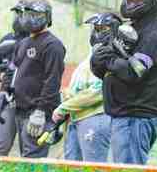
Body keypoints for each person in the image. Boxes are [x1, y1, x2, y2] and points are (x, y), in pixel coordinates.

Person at [90, 0, 157, 165]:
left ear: (151, 1)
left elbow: (133, 72)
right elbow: (108, 72)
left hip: (136, 117)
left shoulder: (153, 35)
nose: (129, 3)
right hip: (122, 115)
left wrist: (109, 59)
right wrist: (98, 60)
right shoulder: (128, 30)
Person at [52, 13, 121, 163]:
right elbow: (79, 87)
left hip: (95, 118)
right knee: (71, 170)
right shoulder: (92, 55)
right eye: (95, 28)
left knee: (93, 169)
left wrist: (64, 107)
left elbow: (97, 92)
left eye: (102, 29)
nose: (97, 33)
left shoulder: (113, 56)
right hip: (76, 118)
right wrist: (67, 97)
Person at [2, 0, 66, 158]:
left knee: (33, 160)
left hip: (37, 113)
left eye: (37, 15)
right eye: (29, 14)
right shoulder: (23, 43)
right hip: (20, 111)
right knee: (26, 159)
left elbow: (52, 81)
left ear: (47, 18)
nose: (32, 18)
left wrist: (41, 111)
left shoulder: (53, 45)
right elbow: (12, 70)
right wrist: (3, 91)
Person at [0, 0, 30, 156]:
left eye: (22, 14)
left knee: (27, 150)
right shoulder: (7, 39)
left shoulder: (36, 42)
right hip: (7, 99)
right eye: (17, 14)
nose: (18, 18)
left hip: (29, 103)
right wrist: (2, 76)